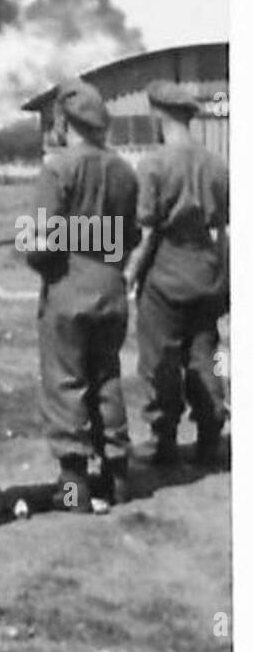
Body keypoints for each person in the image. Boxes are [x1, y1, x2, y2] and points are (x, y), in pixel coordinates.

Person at [27, 79, 139, 510]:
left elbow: (40, 242)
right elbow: (128, 236)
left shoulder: (58, 168)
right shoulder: (124, 169)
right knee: (107, 379)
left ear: (64, 121)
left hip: (69, 289)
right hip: (111, 288)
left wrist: (40, 252)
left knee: (66, 384)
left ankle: (74, 490)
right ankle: (119, 479)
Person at [123, 81, 229, 467]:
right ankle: (210, 437)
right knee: (204, 354)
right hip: (208, 273)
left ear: (157, 115)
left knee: (160, 361)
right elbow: (223, 227)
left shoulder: (154, 164)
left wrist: (130, 274)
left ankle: (162, 441)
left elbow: (147, 231)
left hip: (166, 276)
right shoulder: (216, 164)